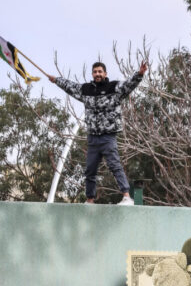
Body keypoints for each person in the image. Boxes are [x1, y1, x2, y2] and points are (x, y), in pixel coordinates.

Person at [47, 61, 147, 205]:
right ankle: (90, 200)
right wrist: (56, 80)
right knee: (90, 170)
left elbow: (128, 85)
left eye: (100, 72)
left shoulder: (114, 87)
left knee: (115, 165)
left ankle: (126, 196)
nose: (97, 74)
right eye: (95, 72)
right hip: (93, 137)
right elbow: (71, 87)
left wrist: (139, 74)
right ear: (92, 74)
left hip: (108, 136)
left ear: (105, 74)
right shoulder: (86, 90)